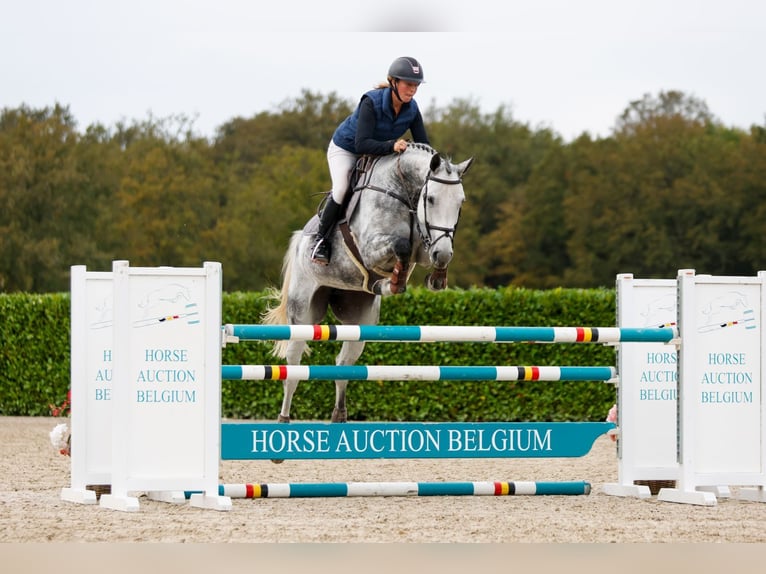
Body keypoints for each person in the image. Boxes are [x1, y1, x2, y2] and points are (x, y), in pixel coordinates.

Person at [310, 56, 431, 265]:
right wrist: (392, 146)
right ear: (393, 82)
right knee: (341, 188)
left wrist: (436, 167)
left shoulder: (412, 109)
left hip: (380, 153)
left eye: (416, 85)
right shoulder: (371, 102)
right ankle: (320, 241)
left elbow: (424, 145)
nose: (412, 90)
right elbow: (362, 144)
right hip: (347, 149)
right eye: (408, 84)